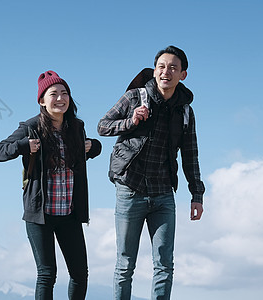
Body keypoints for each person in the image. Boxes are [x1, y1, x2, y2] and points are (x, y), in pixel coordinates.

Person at [97, 45, 205, 300]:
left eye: (173, 67)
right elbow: (102, 126)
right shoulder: (135, 97)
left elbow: (190, 154)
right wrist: (130, 121)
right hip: (130, 189)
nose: (166, 71)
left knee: (164, 265)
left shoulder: (185, 111)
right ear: (155, 70)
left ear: (183, 75)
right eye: (161, 66)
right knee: (125, 264)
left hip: (163, 194)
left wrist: (196, 195)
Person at [0, 70, 101, 300]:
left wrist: (94, 146)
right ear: (42, 100)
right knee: (47, 274)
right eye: (53, 94)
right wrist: (23, 145)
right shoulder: (31, 127)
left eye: (65, 93)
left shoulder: (76, 127)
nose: (60, 98)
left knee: (80, 274)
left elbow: (89, 150)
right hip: (40, 215)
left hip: (69, 213)